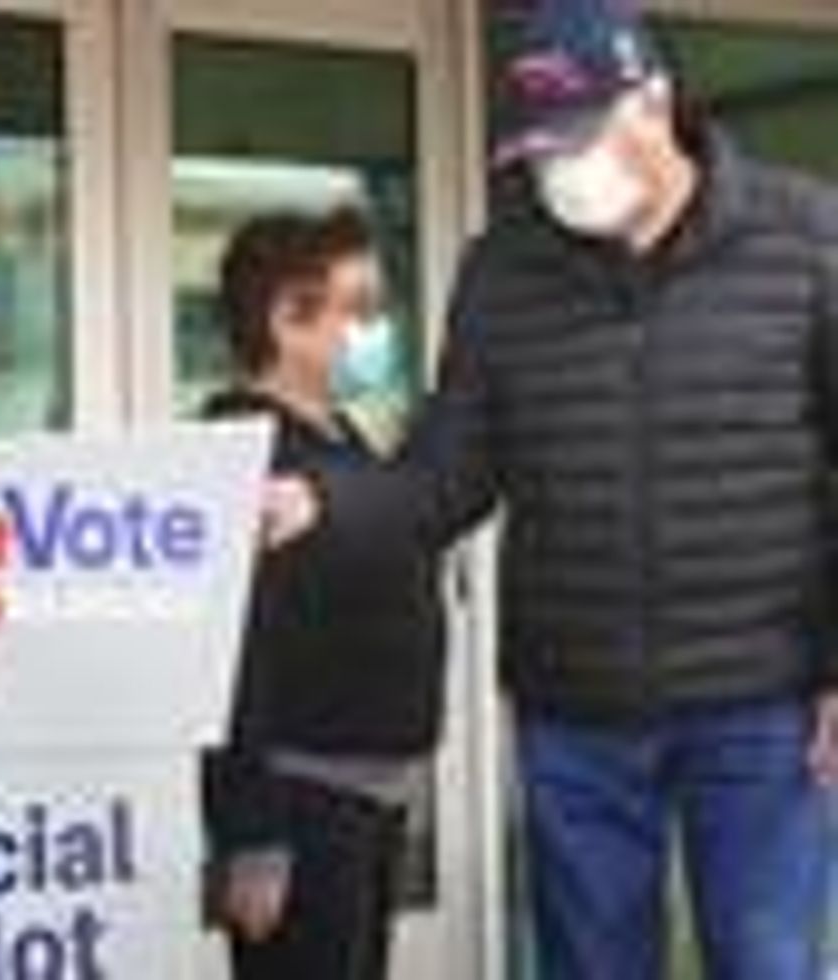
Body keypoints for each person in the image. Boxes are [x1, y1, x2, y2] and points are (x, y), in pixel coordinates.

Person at [261, 1, 838, 977]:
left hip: (759, 697)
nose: (555, 171)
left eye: (574, 139)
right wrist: (324, 502)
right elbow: (447, 473)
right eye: (533, 150)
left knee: (765, 958)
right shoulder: (502, 270)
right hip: (574, 707)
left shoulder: (808, 239)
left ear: (651, 102)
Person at [201, 208, 446, 980]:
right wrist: (252, 834)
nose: (377, 330)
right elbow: (229, 659)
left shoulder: (341, 439)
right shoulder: (240, 452)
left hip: (367, 802)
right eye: (359, 308)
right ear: (287, 319)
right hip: (301, 809)